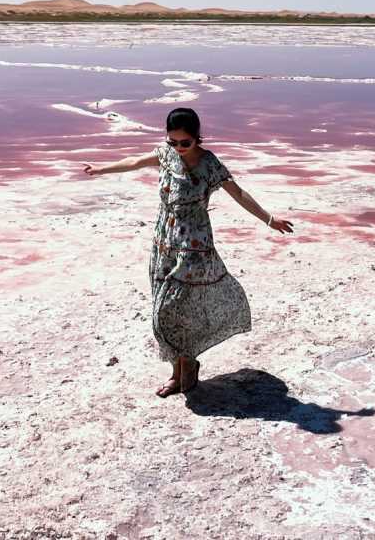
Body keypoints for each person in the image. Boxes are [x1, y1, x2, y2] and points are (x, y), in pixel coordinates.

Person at [82, 107, 293, 397]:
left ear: (197, 138)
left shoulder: (209, 164)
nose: (178, 148)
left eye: (185, 143)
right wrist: (101, 169)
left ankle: (187, 366)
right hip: (163, 241)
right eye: (173, 142)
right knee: (165, 310)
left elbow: (238, 193)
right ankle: (179, 371)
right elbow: (134, 162)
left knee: (175, 308)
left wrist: (270, 219)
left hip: (194, 246)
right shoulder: (164, 155)